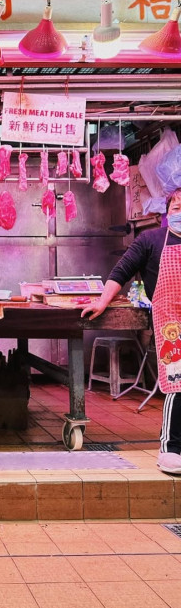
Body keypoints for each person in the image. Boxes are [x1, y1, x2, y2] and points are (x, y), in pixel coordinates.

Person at [81, 187, 181, 475]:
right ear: (166, 212)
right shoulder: (151, 239)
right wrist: (102, 301)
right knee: (178, 383)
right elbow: (121, 271)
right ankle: (171, 448)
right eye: (176, 208)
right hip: (171, 323)